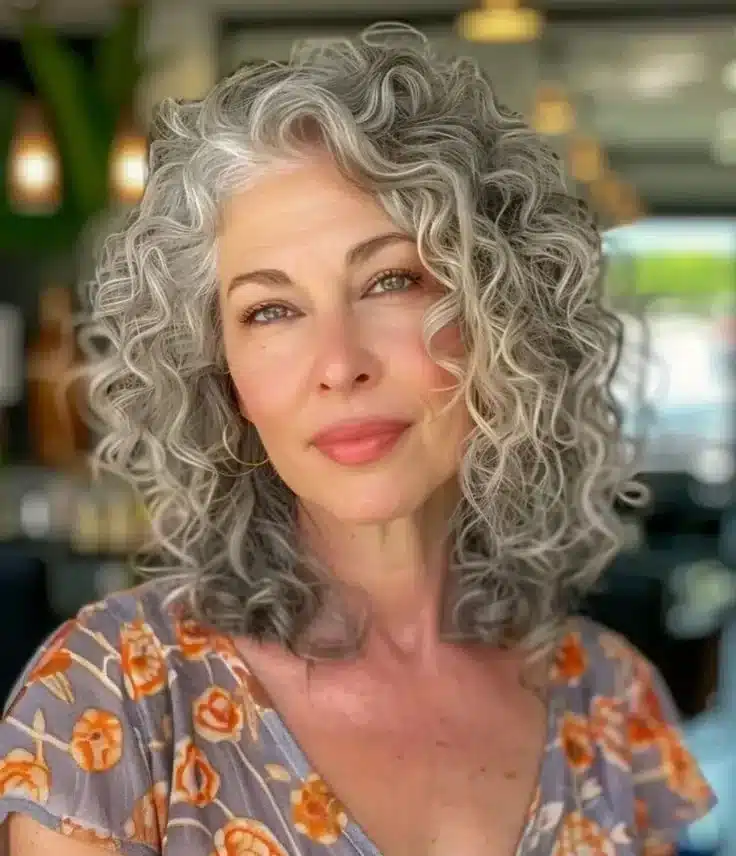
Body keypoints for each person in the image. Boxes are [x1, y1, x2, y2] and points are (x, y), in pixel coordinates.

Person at [0, 24, 715, 856]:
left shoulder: (613, 702)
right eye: (270, 310)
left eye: (391, 281)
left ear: (501, 323)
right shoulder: (112, 698)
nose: (338, 365)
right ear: (224, 379)